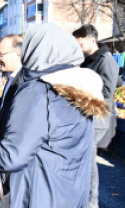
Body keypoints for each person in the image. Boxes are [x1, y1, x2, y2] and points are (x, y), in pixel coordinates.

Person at [0, 23, 109, 208]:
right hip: (69, 195)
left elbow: (10, 157)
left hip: (37, 195)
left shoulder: (38, 91)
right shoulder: (79, 87)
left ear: (37, 51)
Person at [73, 24, 119, 208]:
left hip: (98, 117)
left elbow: (108, 91)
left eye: (81, 44)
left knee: (89, 160)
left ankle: (92, 201)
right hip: (86, 114)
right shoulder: (88, 60)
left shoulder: (105, 61)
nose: (79, 48)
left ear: (92, 40)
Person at [0, 35, 23, 124]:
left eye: (1, 54)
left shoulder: (25, 82)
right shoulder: (12, 76)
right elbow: (3, 101)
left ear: (17, 54)